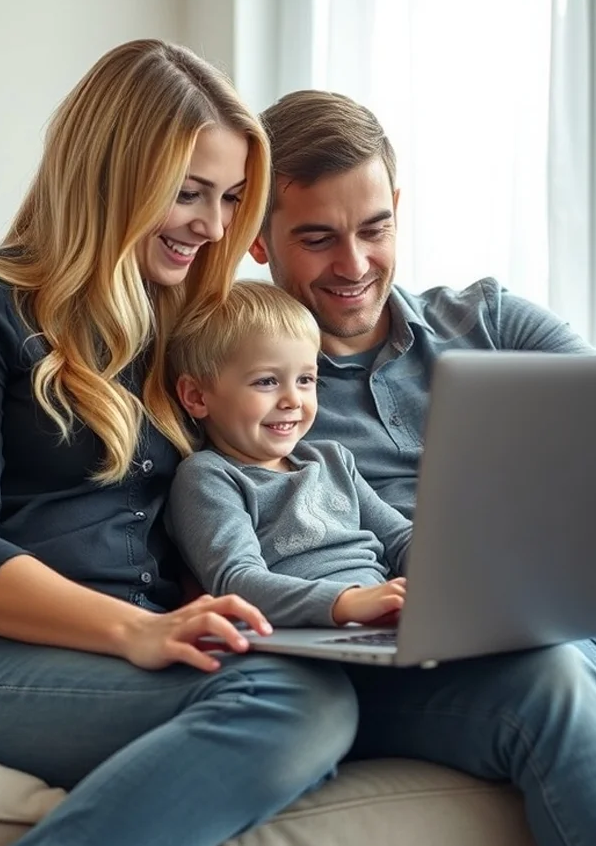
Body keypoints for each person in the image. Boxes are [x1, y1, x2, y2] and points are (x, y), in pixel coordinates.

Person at [0, 43, 361, 846]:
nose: (215, 226)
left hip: (149, 638)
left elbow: (278, 462)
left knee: (355, 684)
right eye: (188, 192)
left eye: (231, 198)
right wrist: (134, 630)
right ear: (111, 177)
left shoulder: (188, 327)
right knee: (300, 702)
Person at [250, 89, 596, 846]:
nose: (354, 265)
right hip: (382, 662)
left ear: (399, 210)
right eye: (318, 238)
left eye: (375, 228)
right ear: (257, 239)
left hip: (545, 616)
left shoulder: (490, 321)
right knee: (557, 677)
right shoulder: (239, 390)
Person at [165, 279, 409, 628]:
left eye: (306, 380)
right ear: (196, 396)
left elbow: (401, 539)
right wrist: (344, 603)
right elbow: (236, 580)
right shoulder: (209, 476)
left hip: (383, 615)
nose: (293, 400)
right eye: (266, 381)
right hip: (309, 627)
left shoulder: (333, 459)